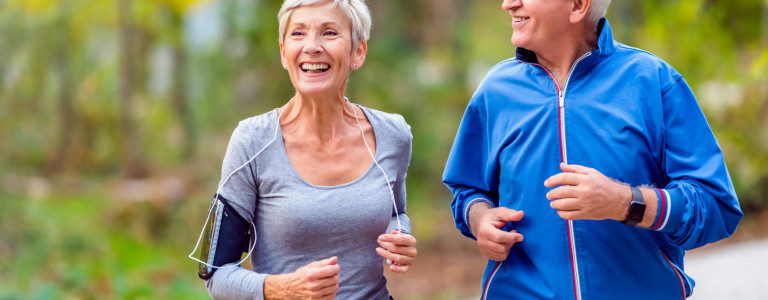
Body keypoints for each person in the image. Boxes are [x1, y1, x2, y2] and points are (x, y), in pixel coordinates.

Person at [442, 0, 743, 299]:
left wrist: (626, 202)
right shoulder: (495, 91)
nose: (508, 4)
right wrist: (480, 219)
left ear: (577, 5)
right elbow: (467, 190)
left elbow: (716, 206)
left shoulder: (653, 82)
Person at [191, 0, 417, 299]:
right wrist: (281, 288)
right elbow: (215, 273)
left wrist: (400, 234)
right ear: (284, 53)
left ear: (357, 53)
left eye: (329, 33)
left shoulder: (392, 134)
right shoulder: (253, 141)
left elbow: (395, 211)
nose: (312, 46)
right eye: (298, 34)